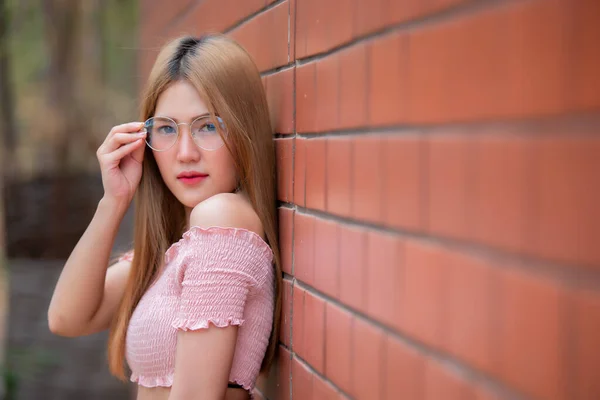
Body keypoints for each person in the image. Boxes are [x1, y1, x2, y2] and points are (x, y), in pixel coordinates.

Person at [47, 34, 282, 400]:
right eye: (167, 129)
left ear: (243, 130)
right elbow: (66, 318)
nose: (185, 153)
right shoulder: (178, 248)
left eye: (208, 126)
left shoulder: (222, 222)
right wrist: (114, 201)